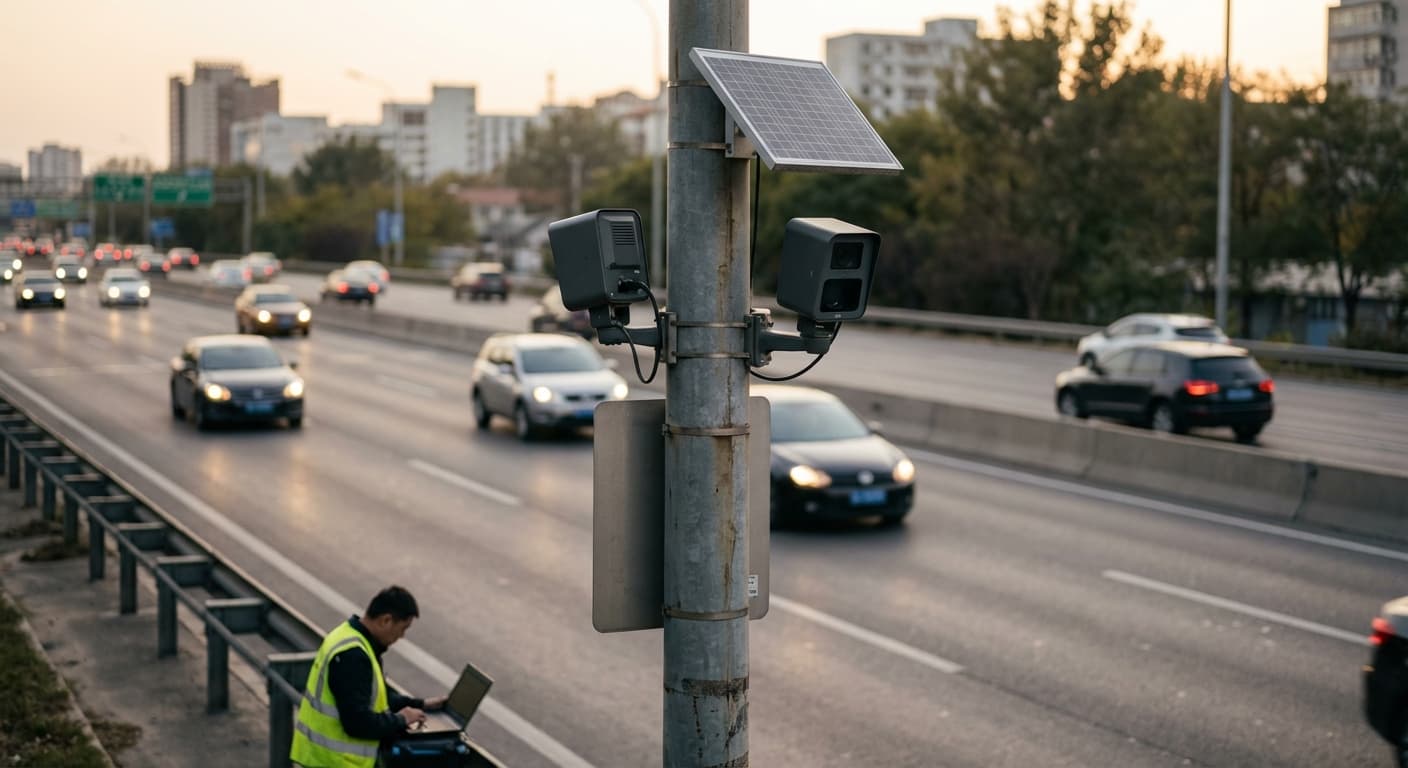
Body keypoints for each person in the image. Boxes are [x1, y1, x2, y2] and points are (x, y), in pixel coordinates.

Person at [290, 585, 447, 768]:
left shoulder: (348, 634)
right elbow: (358, 722)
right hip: (335, 763)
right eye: (403, 628)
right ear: (386, 620)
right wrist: (401, 719)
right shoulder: (354, 656)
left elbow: (371, 697)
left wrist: (419, 704)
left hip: (321, 759)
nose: (401, 636)